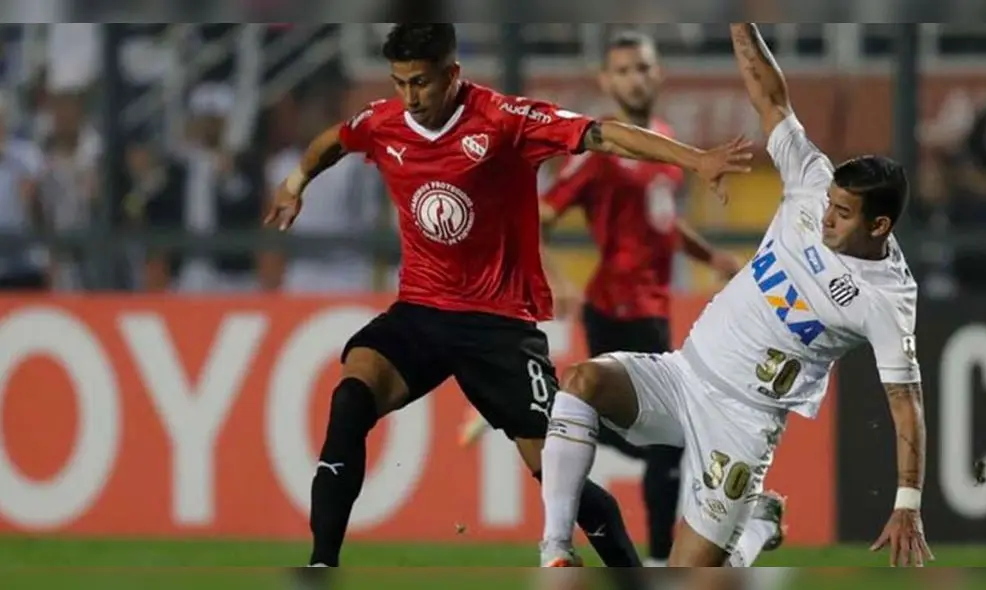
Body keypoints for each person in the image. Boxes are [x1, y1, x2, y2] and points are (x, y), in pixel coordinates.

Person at [264, 23, 752, 571]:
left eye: (421, 83)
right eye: (400, 83)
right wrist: (295, 183)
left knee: (557, 473)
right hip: (420, 313)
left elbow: (604, 134)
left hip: (497, 326)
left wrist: (695, 160)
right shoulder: (386, 122)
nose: (410, 97)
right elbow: (336, 140)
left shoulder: (505, 120)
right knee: (350, 399)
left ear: (452, 74)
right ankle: (321, 567)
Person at [537, 22, 933, 569]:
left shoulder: (886, 298)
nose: (825, 218)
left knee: (688, 577)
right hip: (683, 375)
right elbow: (770, 97)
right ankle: (556, 551)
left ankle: (754, 530)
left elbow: (905, 405)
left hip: (742, 426)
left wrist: (907, 503)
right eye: (829, 204)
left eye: (842, 215)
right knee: (581, 382)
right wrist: (741, 27)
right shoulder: (813, 180)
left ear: (880, 225)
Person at [459, 31, 742, 568]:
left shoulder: (662, 138)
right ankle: (661, 561)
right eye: (625, 70)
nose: (636, 77)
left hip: (653, 307)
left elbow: (662, 219)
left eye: (643, 67)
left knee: (656, 436)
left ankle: (563, 415)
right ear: (606, 82)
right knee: (669, 442)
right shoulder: (596, 156)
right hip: (616, 308)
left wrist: (710, 258)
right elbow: (536, 219)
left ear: (658, 73)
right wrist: (559, 280)